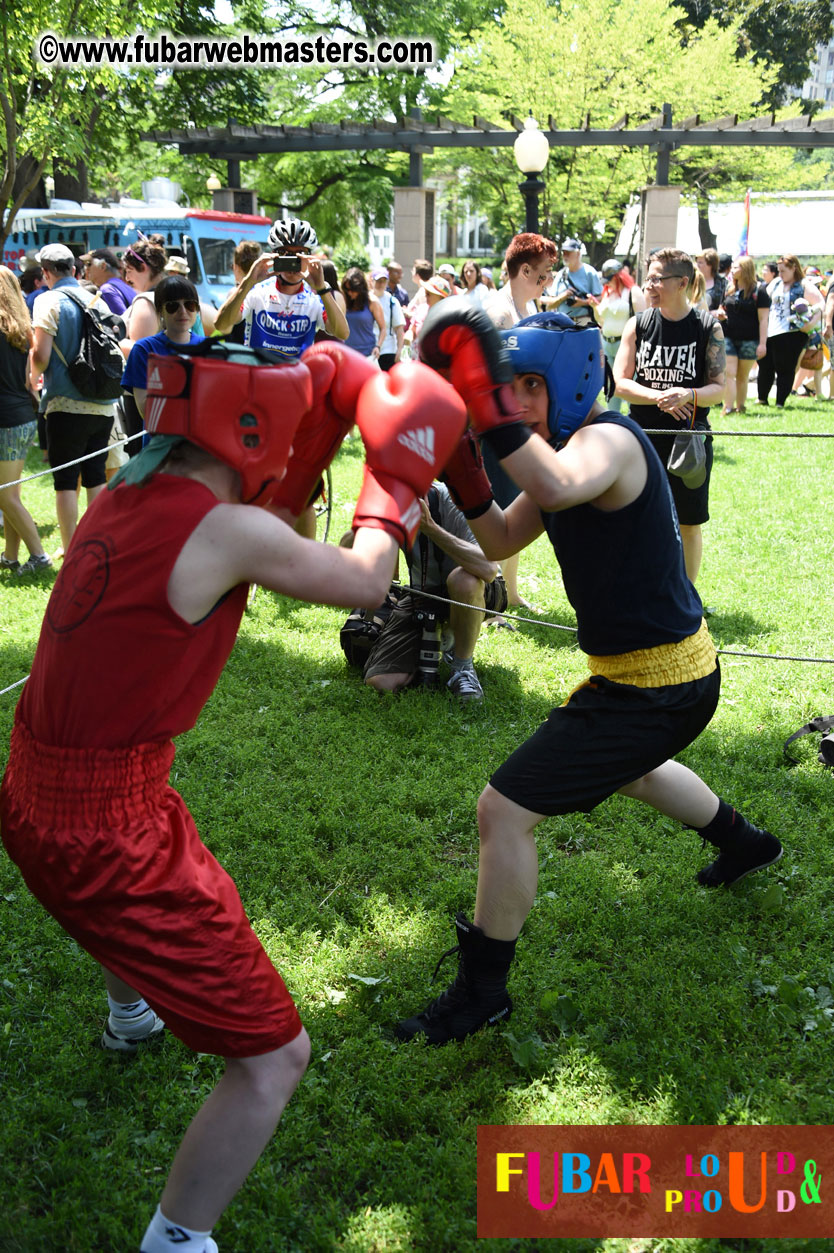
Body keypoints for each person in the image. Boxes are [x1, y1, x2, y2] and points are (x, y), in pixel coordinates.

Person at [0, 337, 467, 1250]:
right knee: (272, 1057)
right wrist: (397, 469)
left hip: (34, 784)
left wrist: (326, 421)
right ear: (253, 428)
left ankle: (130, 1011)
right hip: (106, 831)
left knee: (132, 859)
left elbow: (261, 527)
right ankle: (176, 1239)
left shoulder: (125, 493)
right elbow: (366, 580)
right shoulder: (226, 530)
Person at [395, 304, 782, 1046]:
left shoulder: (605, 442)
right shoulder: (558, 449)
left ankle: (484, 994)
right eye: (510, 387)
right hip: (665, 677)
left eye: (529, 386)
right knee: (636, 772)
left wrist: (483, 405)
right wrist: (459, 469)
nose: (518, 403)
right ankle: (746, 841)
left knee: (502, 811)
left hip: (656, 684)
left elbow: (565, 485)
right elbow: (503, 534)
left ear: (572, 383)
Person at [613, 248, 726, 584]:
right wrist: (660, 397)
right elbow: (619, 383)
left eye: (658, 279)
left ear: (682, 283)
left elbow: (719, 389)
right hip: (642, 441)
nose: (650, 285)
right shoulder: (639, 324)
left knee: (689, 523)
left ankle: (687, 596)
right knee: (638, 518)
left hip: (688, 441)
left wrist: (689, 394)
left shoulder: (708, 328)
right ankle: (641, 589)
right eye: (649, 278)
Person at [363, 480, 507, 702]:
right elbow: (387, 575)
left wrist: (429, 527)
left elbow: (487, 569)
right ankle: (442, 635)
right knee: (381, 682)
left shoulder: (451, 498)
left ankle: (463, 667)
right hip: (422, 594)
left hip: (477, 587)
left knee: (462, 580)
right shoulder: (384, 504)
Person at [29, 243, 118, 555]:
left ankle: (70, 551)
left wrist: (31, 375)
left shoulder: (47, 301)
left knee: (66, 481)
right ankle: (95, 548)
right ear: (75, 269)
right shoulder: (96, 298)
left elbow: (40, 356)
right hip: (104, 403)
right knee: (95, 476)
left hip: (65, 403)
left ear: (45, 272)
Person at [212, 217, 348, 358]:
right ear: (273, 255)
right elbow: (221, 325)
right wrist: (248, 282)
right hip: (260, 375)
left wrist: (322, 290)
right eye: (285, 254)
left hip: (297, 376)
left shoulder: (315, 297)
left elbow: (342, 333)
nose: (292, 263)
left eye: (299, 255)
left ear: (310, 257)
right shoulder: (256, 291)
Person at [0, 266, 51, 576]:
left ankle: (39, 557)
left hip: (6, 420)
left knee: (5, 494)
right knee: (11, 493)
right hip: (22, 417)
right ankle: (9, 555)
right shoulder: (21, 329)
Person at [122, 276, 205, 418]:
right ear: (160, 311)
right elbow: (146, 412)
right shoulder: (144, 349)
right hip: (161, 438)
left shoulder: (207, 347)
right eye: (173, 306)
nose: (183, 311)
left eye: (189, 305)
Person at [756, 254, 823, 409]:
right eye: (778, 271)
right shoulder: (776, 283)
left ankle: (780, 401)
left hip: (792, 332)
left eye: (783, 271)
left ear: (794, 268)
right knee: (765, 365)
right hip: (771, 330)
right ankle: (762, 399)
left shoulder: (803, 285)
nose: (780, 274)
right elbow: (765, 299)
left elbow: (820, 304)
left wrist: (811, 323)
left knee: (785, 368)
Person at [717, 256, 770, 415]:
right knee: (729, 373)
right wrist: (720, 312)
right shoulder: (728, 288)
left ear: (746, 269)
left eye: (736, 267)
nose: (732, 270)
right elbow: (722, 306)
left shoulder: (759, 292)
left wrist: (762, 344)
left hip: (750, 340)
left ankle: (740, 406)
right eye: (732, 267)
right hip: (728, 337)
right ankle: (728, 407)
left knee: (742, 375)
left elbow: (763, 320)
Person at [595, 259, 646, 413]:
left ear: (619, 276)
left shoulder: (633, 292)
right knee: (611, 386)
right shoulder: (608, 293)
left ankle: (635, 417)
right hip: (607, 343)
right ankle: (613, 417)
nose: (607, 284)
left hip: (627, 346)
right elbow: (601, 320)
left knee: (630, 385)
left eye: (609, 279)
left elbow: (642, 321)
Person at [546, 238, 602, 327]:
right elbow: (550, 304)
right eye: (564, 253)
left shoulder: (590, 272)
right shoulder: (561, 274)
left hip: (584, 322)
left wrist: (583, 302)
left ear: (578, 254)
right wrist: (564, 296)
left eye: (568, 253)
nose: (565, 256)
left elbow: (600, 298)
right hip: (563, 323)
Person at [342, 266, 386, 361]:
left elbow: (383, 328)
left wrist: (378, 346)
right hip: (347, 353)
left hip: (367, 354)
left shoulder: (372, 302)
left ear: (360, 288)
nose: (349, 293)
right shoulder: (345, 300)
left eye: (353, 290)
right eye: (347, 289)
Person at [81, 248, 135, 316]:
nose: (87, 268)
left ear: (103, 266)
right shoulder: (124, 286)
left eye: (89, 264)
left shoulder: (107, 290)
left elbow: (121, 323)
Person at [371, 267, 405, 371]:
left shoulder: (392, 301)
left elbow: (399, 328)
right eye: (378, 281)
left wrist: (399, 350)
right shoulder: (366, 299)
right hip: (369, 349)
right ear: (372, 281)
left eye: (384, 281)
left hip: (388, 350)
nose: (381, 284)